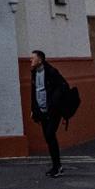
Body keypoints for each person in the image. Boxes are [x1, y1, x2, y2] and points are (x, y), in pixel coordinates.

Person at [29, 49, 69, 179]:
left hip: (53, 110)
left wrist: (54, 102)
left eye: (33, 58)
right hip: (42, 110)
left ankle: (57, 166)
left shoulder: (51, 72)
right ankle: (56, 165)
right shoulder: (34, 73)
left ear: (40, 60)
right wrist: (34, 110)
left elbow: (63, 86)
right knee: (48, 138)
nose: (31, 60)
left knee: (50, 134)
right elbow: (34, 92)